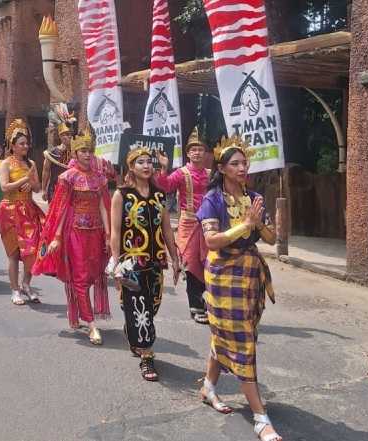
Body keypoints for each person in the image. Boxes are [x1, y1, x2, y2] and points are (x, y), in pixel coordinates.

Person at [196, 135, 281, 441]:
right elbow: (212, 241)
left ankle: (208, 386)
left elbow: (272, 239)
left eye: (245, 162)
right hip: (223, 276)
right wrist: (246, 225)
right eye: (236, 163)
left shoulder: (255, 198)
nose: (243, 167)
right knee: (242, 341)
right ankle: (260, 417)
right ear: (222, 168)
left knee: (228, 334)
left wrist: (257, 223)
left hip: (250, 275)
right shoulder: (213, 200)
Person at [109, 147, 180, 381]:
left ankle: (133, 332)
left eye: (149, 162)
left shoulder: (159, 196)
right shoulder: (122, 195)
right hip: (131, 262)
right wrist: (116, 264)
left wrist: (175, 256)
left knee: (153, 305)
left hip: (156, 261)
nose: (147, 166)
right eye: (141, 162)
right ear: (131, 166)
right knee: (141, 310)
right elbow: (115, 233)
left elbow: (167, 229)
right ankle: (147, 357)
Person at [33, 130, 110, 343]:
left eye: (90, 151)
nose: (87, 154)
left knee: (94, 274)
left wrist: (108, 234)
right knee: (81, 278)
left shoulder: (99, 177)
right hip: (75, 233)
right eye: (83, 151)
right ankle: (91, 323)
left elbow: (104, 207)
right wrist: (57, 237)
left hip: (96, 233)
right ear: (75, 152)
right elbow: (63, 208)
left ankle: (79, 312)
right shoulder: (68, 177)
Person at [155, 128, 213, 324]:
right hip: (188, 224)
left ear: (205, 153)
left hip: (209, 225)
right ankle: (195, 306)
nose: (197, 152)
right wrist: (164, 169)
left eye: (200, 149)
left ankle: (207, 303)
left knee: (209, 263)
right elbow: (165, 187)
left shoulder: (211, 174)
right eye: (193, 149)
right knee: (191, 265)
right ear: (188, 153)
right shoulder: (181, 173)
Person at [0, 119, 44, 305]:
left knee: (32, 251)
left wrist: (31, 183)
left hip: (28, 209)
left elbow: (38, 188)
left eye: (27, 143)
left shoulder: (31, 163)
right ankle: (15, 290)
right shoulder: (5, 164)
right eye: (21, 143)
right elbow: (4, 186)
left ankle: (26, 284)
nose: (26, 146)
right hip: (9, 210)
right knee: (14, 254)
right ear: (12, 146)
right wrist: (22, 180)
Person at [41, 123, 72, 201]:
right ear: (60, 136)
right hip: (55, 188)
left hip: (72, 189)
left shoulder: (77, 152)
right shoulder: (52, 152)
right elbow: (46, 171)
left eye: (70, 134)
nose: (69, 137)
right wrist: (44, 189)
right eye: (66, 134)